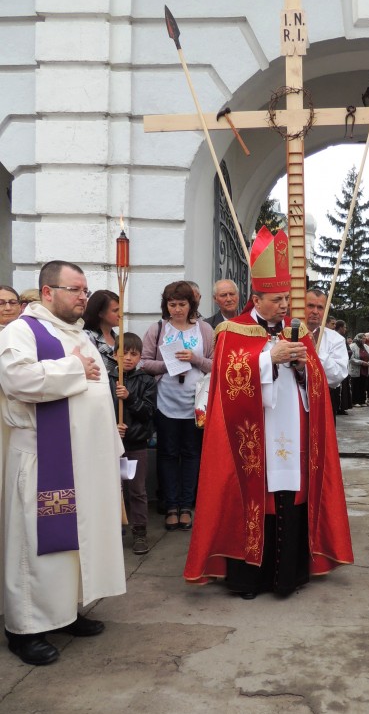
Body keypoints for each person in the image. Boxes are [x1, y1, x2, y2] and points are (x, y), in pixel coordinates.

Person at [183, 226, 353, 598]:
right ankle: (249, 579)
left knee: (291, 495)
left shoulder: (300, 332)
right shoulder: (233, 330)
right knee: (252, 495)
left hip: (294, 431)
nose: (283, 306)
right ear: (256, 299)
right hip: (252, 437)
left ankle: (289, 576)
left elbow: (321, 386)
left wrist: (302, 368)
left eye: (285, 299)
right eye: (275, 299)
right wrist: (267, 360)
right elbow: (227, 384)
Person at [0, 260, 126, 666]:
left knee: (75, 542)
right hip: (42, 458)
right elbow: (16, 379)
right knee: (35, 546)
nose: (82, 297)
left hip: (82, 459)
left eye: (85, 291)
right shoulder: (22, 330)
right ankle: (24, 628)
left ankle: (64, 612)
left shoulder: (78, 333)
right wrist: (74, 368)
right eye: (74, 289)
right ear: (48, 292)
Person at [141, 281, 214, 532]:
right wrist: (167, 365)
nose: (177, 309)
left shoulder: (204, 330)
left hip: (196, 404)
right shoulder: (158, 328)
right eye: (172, 304)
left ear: (191, 305)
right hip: (166, 402)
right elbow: (143, 362)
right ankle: (170, 505)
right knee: (168, 453)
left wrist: (194, 359)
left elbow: (216, 364)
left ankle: (186, 505)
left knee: (192, 454)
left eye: (182, 304)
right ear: (166, 305)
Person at [108, 332, 157, 555]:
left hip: (135, 444)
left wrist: (130, 397)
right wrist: (112, 427)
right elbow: (99, 411)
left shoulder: (146, 381)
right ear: (114, 353)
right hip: (110, 444)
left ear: (140, 358)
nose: (128, 357)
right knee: (110, 489)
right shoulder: (106, 380)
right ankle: (111, 530)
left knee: (137, 490)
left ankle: (139, 531)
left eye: (134, 354)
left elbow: (148, 412)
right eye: (123, 352)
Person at [304, 288, 349, 393]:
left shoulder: (336, 339)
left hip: (322, 396)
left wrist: (316, 350)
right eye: (310, 306)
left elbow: (338, 376)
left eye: (320, 307)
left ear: (325, 311)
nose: (315, 311)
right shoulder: (286, 333)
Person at [83, 289, 120, 369]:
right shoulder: (88, 337)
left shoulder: (118, 338)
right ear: (101, 313)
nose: (120, 314)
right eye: (115, 310)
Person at [334, 320, 353, 414]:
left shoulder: (342, 338)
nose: (345, 329)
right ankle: (338, 407)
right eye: (344, 327)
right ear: (340, 327)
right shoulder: (336, 338)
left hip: (343, 366)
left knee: (344, 389)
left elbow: (348, 351)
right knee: (339, 389)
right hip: (336, 366)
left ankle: (342, 407)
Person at [349, 332, 369, 406]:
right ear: (358, 338)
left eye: (365, 338)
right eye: (362, 338)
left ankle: (362, 401)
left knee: (363, 385)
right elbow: (351, 359)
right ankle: (355, 401)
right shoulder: (352, 346)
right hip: (356, 369)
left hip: (365, 369)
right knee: (356, 385)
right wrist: (361, 362)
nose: (364, 340)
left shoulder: (366, 346)